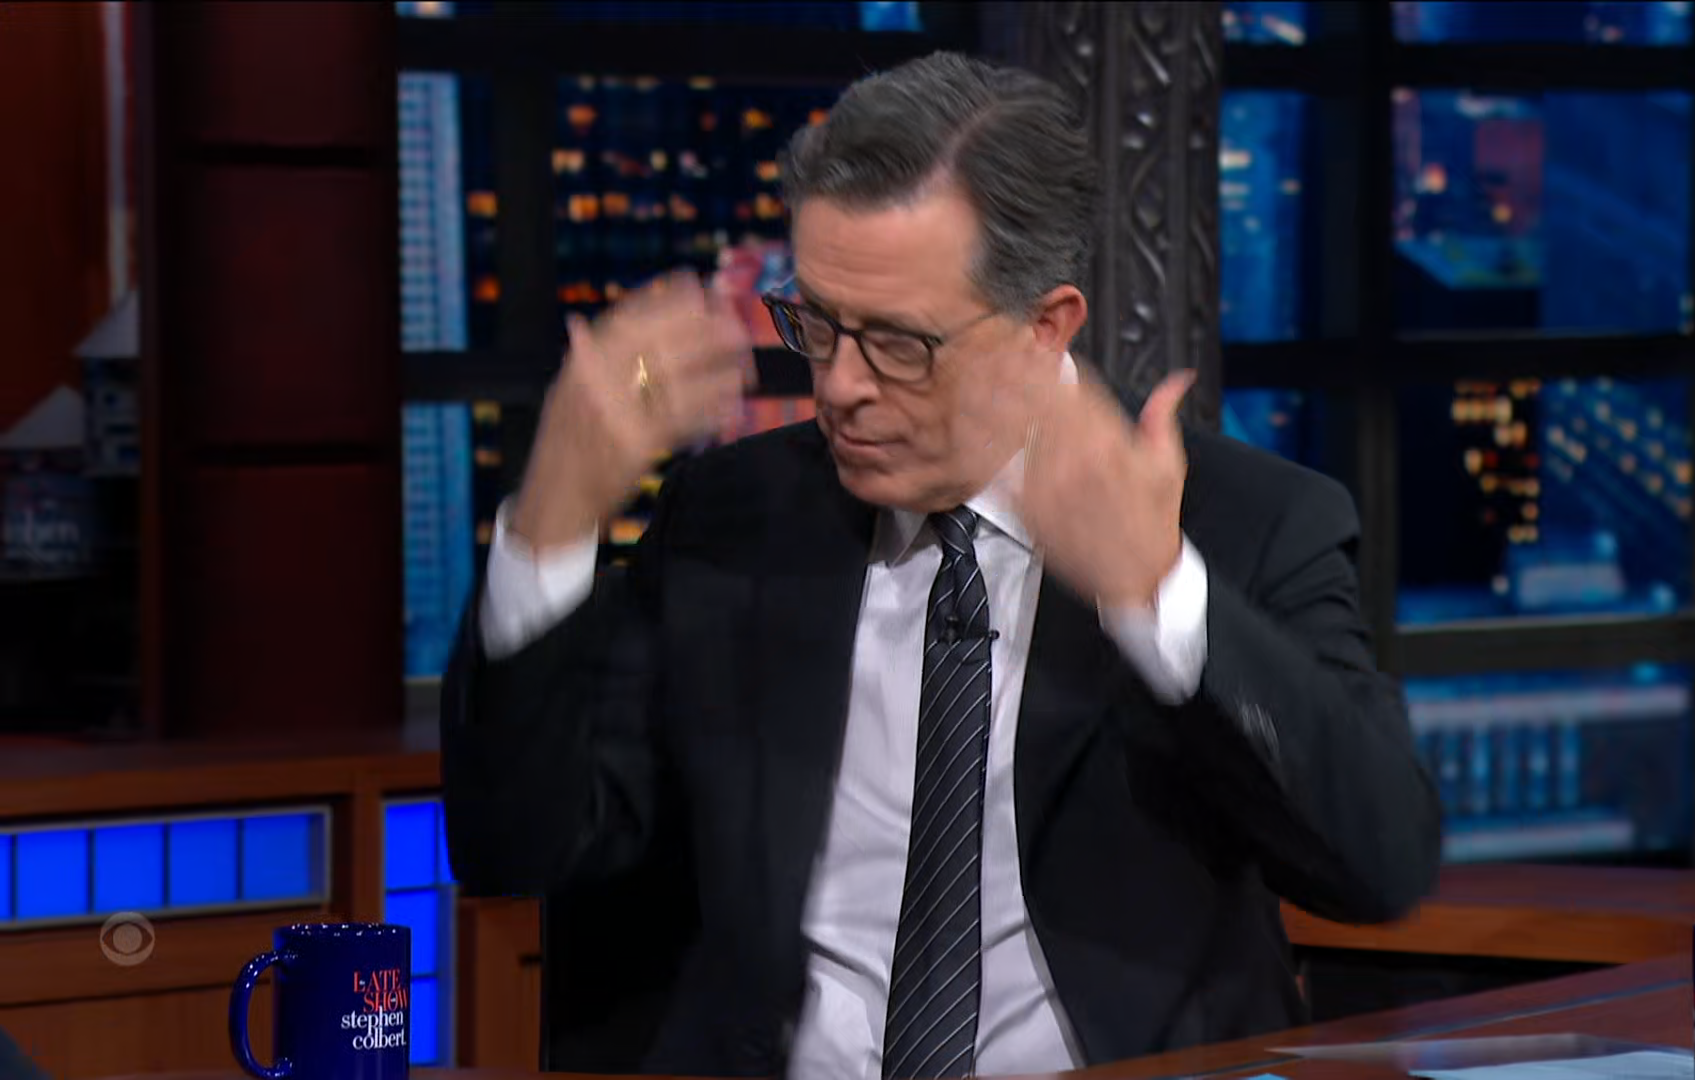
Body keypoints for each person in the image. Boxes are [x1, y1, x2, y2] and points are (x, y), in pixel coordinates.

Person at [441, 50, 1441, 1080]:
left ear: (1044, 327)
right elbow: (515, 842)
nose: (839, 386)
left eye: (898, 344)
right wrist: (551, 521)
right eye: (816, 323)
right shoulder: (734, 517)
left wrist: (1158, 596)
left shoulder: (1246, 523)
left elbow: (1381, 863)